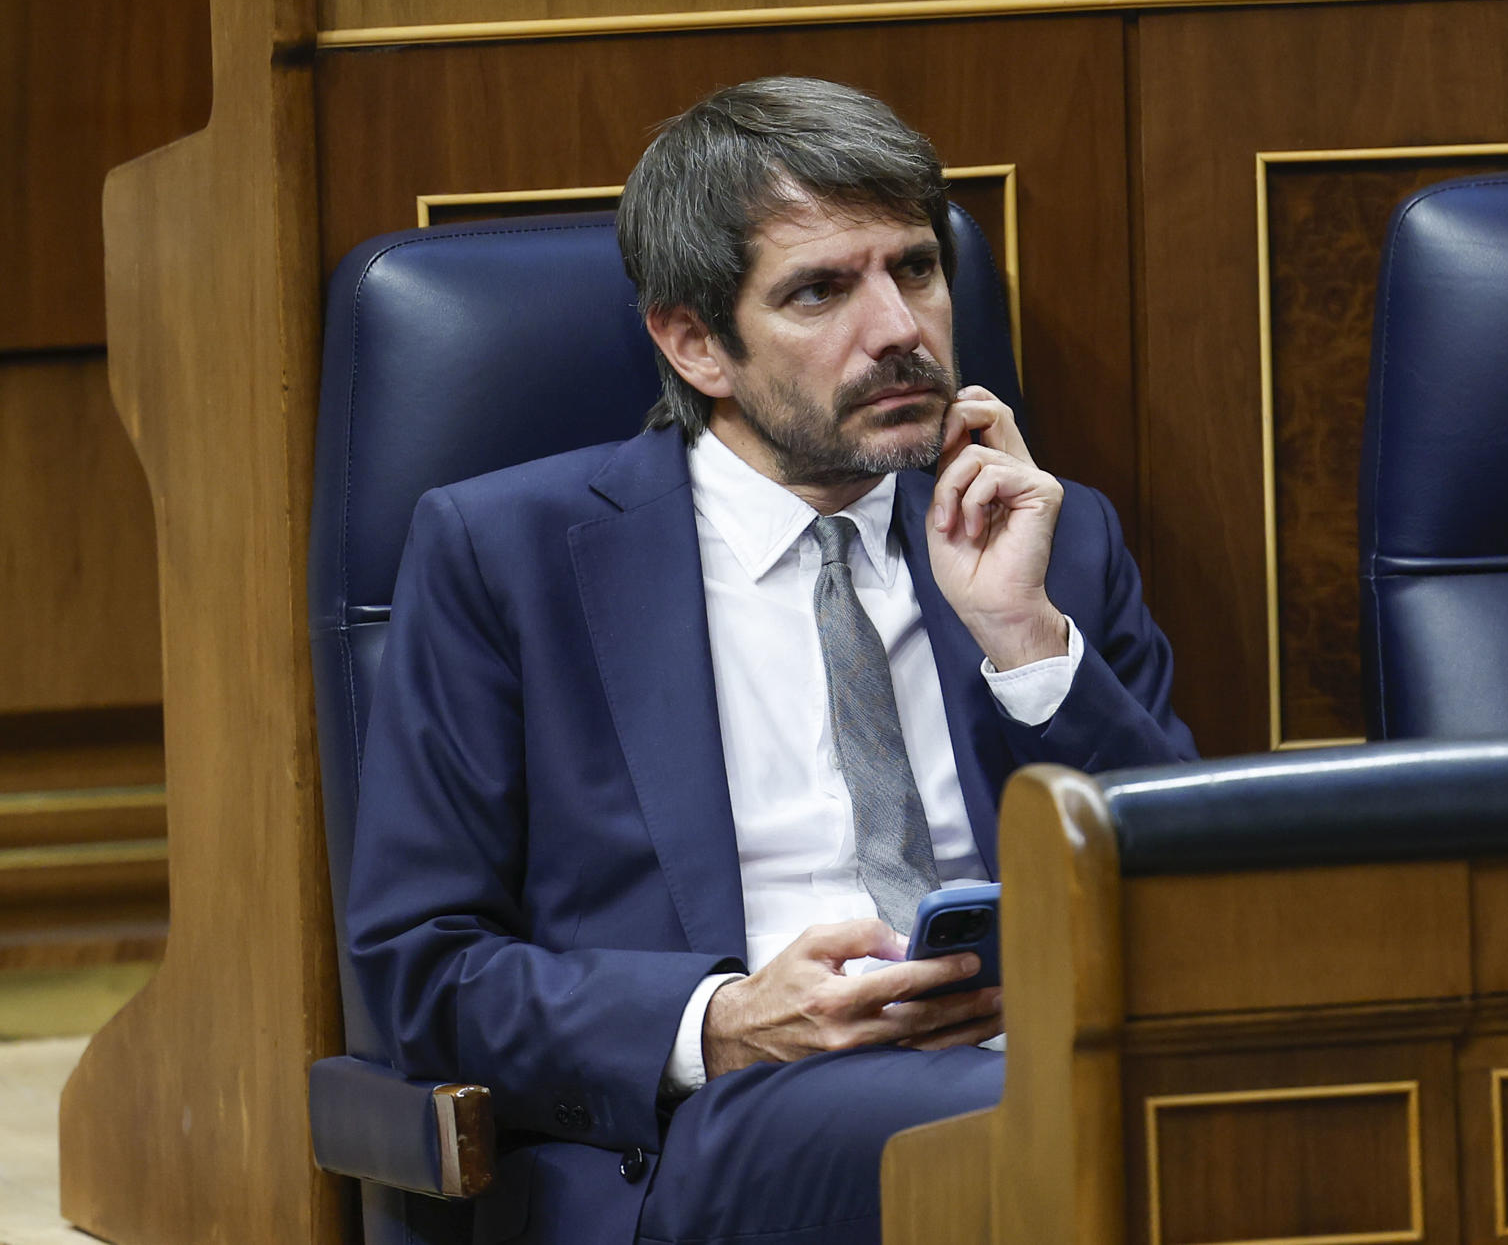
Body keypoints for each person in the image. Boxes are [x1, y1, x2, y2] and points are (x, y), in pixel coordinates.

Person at [347, 76, 1196, 1245]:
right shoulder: (510, 554)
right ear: (696, 341)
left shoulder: (1048, 534)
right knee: (1073, 1125)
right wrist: (724, 1016)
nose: (899, 328)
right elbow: (422, 969)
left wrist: (1025, 643)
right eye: (820, 290)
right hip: (718, 1131)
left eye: (916, 266)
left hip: (1041, 1063)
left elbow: (1187, 900)